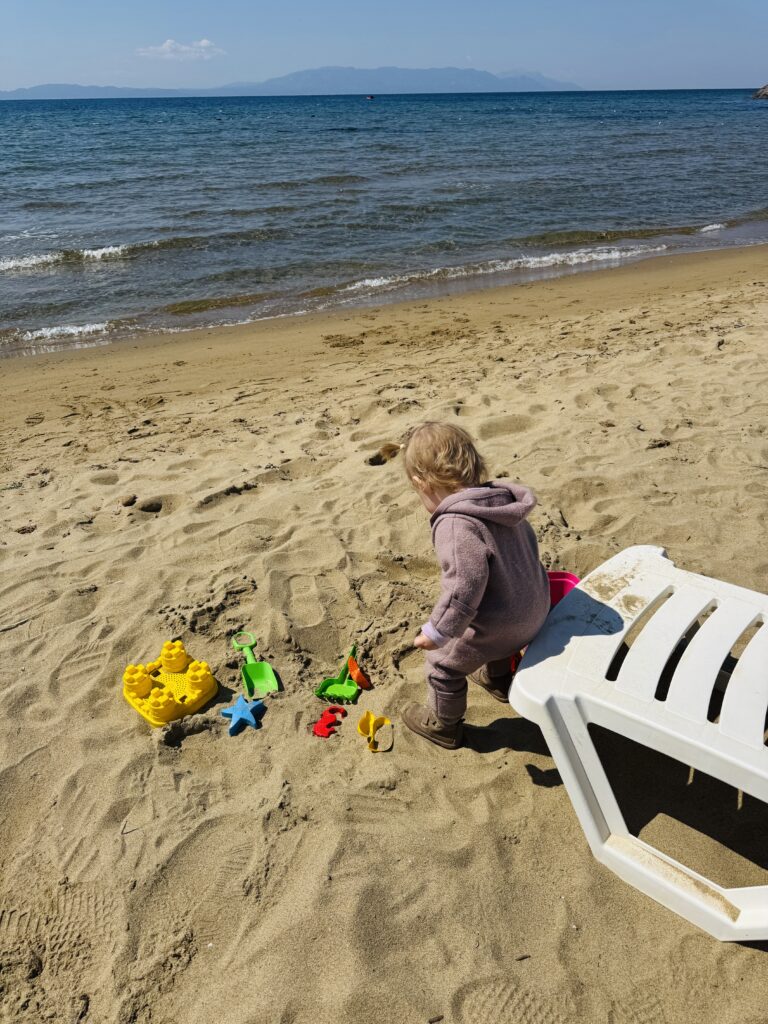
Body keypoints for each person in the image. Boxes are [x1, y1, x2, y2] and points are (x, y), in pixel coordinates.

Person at [378, 421, 550, 750]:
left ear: (421, 483)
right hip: (535, 609)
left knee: (442, 665)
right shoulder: (501, 503)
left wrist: (438, 631)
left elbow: (463, 586)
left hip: (502, 626)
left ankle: (444, 726)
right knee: (497, 616)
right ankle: (498, 678)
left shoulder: (456, 524)